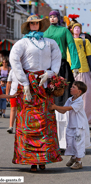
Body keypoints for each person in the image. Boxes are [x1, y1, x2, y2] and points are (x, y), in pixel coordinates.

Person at [9, 15, 63, 172]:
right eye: (32, 23)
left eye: (37, 23)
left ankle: (43, 160)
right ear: (28, 25)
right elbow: (14, 60)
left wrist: (51, 73)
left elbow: (57, 58)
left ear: (40, 25)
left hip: (43, 84)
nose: (34, 25)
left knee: (46, 122)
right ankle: (31, 160)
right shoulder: (22, 43)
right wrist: (23, 81)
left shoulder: (49, 43)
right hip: (28, 83)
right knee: (27, 123)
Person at [43, 10, 80, 149]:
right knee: (48, 98)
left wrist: (75, 65)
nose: (52, 18)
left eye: (55, 16)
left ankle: (65, 141)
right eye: (50, 16)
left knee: (64, 98)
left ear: (58, 18)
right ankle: (50, 137)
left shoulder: (64, 31)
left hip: (63, 66)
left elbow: (71, 46)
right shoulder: (45, 32)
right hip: (48, 67)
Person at [49, 81, 91, 169]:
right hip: (71, 125)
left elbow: (69, 108)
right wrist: (54, 108)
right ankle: (74, 157)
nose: (71, 88)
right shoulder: (69, 99)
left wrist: (55, 107)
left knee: (78, 143)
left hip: (79, 127)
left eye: (73, 87)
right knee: (70, 143)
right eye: (72, 86)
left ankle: (78, 162)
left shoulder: (79, 101)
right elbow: (64, 110)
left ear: (79, 91)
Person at [67, 23, 91, 124]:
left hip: (85, 70)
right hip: (75, 71)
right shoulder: (69, 41)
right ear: (72, 30)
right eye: (75, 28)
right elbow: (68, 57)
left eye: (78, 28)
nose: (77, 29)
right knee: (78, 94)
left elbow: (89, 56)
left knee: (87, 94)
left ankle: (86, 118)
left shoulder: (85, 41)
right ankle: (78, 118)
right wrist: (72, 68)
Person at [6, 69, 18, 133]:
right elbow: (8, 82)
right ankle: (11, 126)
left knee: (22, 110)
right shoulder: (12, 70)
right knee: (13, 109)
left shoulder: (25, 69)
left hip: (23, 94)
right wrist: (7, 94)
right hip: (13, 93)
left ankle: (21, 126)